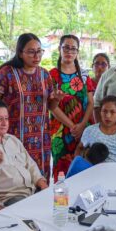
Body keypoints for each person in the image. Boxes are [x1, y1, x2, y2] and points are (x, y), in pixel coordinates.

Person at [0, 33, 57, 179]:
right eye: (31, 52)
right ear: (20, 53)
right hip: (14, 138)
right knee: (17, 181)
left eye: (39, 51)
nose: (36, 56)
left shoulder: (45, 75)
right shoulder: (6, 73)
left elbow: (51, 106)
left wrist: (57, 99)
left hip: (40, 140)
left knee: (40, 180)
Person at [0, 98, 48, 209]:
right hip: (12, 199)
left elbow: (30, 164)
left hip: (32, 191)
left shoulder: (13, 140)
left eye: (6, 119)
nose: (4, 123)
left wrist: (42, 183)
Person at [48, 35, 96, 180]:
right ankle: (62, 202)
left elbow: (91, 102)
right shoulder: (51, 75)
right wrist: (72, 126)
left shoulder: (84, 74)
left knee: (84, 169)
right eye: (66, 47)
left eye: (73, 49)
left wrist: (81, 126)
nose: (69, 51)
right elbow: (52, 107)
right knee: (62, 172)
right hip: (61, 132)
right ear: (59, 49)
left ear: (77, 52)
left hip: (84, 131)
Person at [77, 94, 116, 163]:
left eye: (112, 112)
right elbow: (79, 149)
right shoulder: (90, 130)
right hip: (95, 172)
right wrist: (80, 163)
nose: (108, 116)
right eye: (104, 111)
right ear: (100, 112)